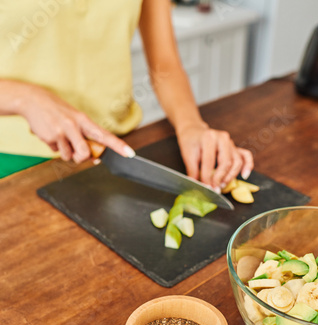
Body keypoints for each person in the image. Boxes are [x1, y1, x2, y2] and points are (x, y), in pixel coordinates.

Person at [0, 0, 253, 187]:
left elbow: (165, 64)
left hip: (118, 148)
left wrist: (191, 125)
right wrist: (25, 98)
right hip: (13, 163)